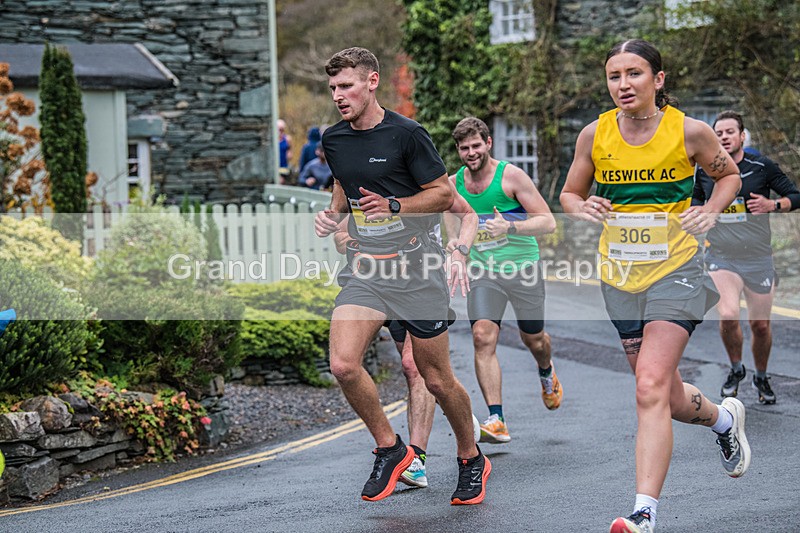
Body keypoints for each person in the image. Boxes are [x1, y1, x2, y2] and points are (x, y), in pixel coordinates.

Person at [559, 39, 750, 533]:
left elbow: (728, 178)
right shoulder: (594, 135)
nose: (623, 85)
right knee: (662, 394)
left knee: (647, 387)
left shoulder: (689, 131)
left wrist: (709, 210)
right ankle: (724, 421)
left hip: (678, 270)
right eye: (614, 76)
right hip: (620, 277)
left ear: (658, 80)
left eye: (634, 74)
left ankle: (644, 513)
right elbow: (569, 194)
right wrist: (584, 207)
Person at [314, 47, 490, 505]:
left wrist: (395, 205)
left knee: (435, 378)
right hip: (367, 269)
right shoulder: (333, 139)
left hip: (416, 268)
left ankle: (471, 457)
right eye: (333, 87)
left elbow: (441, 195)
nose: (338, 95)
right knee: (343, 364)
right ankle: (391, 449)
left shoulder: (408, 135)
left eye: (346, 85)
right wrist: (333, 216)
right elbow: (342, 181)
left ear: (372, 82)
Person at [445, 117, 561, 445]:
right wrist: (455, 244)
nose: (471, 153)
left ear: (488, 143)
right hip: (485, 273)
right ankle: (496, 418)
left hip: (523, 267)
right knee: (482, 337)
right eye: (464, 148)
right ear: (459, 150)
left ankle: (546, 370)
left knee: (534, 340)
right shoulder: (455, 184)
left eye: (476, 146)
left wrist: (509, 227)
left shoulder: (510, 176)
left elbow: (548, 222)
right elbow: (450, 214)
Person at [693, 110, 800, 404]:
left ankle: (761, 376)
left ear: (741, 136)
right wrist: (701, 215)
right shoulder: (704, 170)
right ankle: (737, 369)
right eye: (718, 133)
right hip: (721, 255)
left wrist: (772, 204)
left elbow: (796, 196)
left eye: (729, 132)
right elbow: (695, 203)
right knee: (728, 314)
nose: (724, 137)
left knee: (760, 325)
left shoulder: (761, 166)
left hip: (758, 257)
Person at [277, 119, 293, 184]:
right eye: (279, 129)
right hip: (275, 167)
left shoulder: (287, 139)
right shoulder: (273, 139)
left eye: (282, 130)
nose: (281, 132)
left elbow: (290, 156)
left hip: (283, 167)